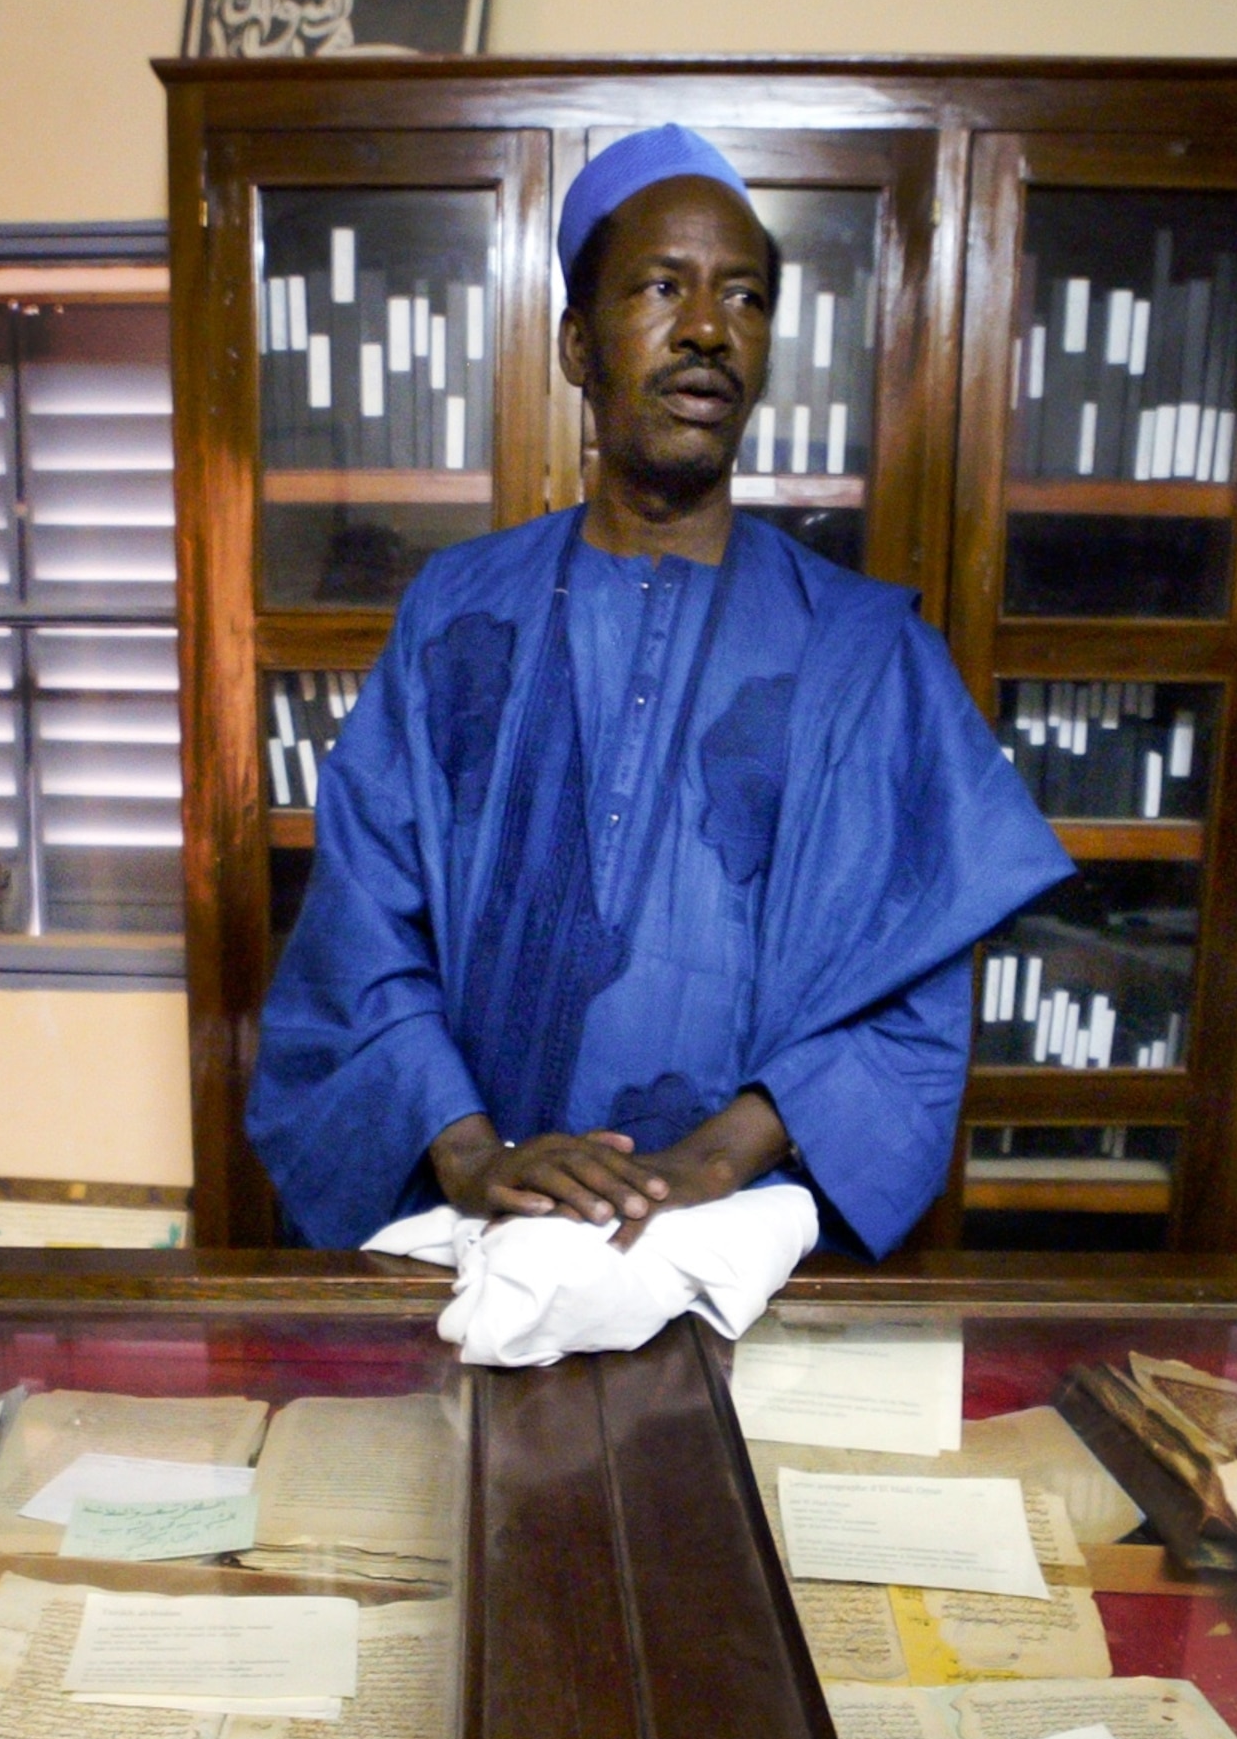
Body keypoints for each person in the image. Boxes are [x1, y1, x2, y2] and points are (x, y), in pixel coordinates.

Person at [249, 124, 1070, 1259]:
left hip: (736, 1258)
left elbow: (910, 997)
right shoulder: (457, 613)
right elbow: (361, 921)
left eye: (743, 298)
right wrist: (471, 1148)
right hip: (477, 1250)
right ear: (578, 345)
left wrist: (708, 1163)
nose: (706, 330)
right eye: (662, 287)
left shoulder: (865, 654)